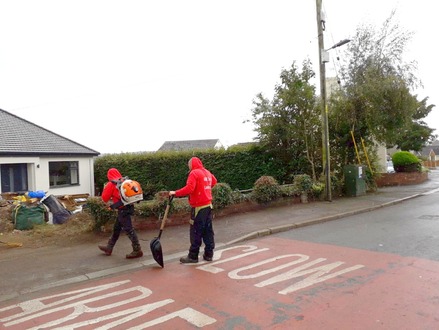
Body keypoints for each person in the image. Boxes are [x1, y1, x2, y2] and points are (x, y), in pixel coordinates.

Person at [169, 157, 217, 263]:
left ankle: (193, 256)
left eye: (189, 164)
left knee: (196, 232)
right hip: (208, 206)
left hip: (198, 207)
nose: (188, 167)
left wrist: (175, 193)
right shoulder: (207, 172)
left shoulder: (194, 173)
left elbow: (189, 188)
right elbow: (214, 182)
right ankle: (209, 254)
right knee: (208, 231)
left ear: (192, 164)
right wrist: (204, 189)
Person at [98, 168, 143, 259]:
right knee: (117, 229)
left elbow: (104, 198)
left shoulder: (111, 184)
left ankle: (137, 250)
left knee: (129, 230)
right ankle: (109, 247)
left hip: (122, 210)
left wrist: (106, 189)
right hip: (129, 207)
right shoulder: (125, 181)